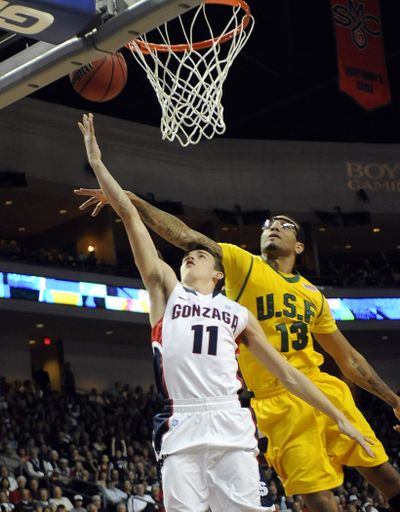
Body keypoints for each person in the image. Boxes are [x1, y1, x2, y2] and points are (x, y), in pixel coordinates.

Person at [75, 123, 400, 512]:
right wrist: (122, 192)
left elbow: (337, 362)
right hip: (248, 406)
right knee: (317, 498)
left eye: (284, 225)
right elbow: (168, 231)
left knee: (384, 474)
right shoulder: (233, 268)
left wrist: (388, 401)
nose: (272, 228)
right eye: (267, 224)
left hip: (297, 393)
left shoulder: (293, 299)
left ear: (300, 245)